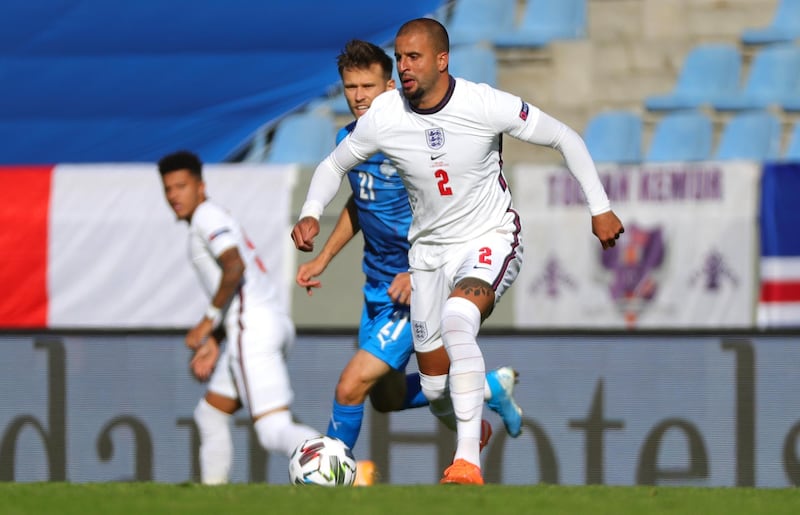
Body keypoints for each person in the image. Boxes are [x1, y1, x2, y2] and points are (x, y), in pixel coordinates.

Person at [292, 18, 624, 485]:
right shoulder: (385, 117)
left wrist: (600, 207)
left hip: (489, 237)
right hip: (427, 255)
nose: (404, 67)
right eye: (400, 57)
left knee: (457, 320)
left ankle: (466, 461)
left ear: (441, 60)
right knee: (432, 385)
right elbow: (333, 166)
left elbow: (564, 137)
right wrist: (310, 211)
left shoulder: (483, 104)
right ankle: (486, 405)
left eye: (414, 58)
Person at [295, 40, 525, 483]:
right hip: (377, 289)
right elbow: (361, 203)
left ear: (391, 87)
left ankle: (334, 475)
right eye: (350, 87)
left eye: (368, 86)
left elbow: (450, 209)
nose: (359, 96)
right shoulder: (351, 138)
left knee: (350, 385)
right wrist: (324, 257)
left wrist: (416, 272)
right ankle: (489, 389)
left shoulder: (416, 142)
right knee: (386, 396)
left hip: (419, 281)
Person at [159, 150, 319, 485]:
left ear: (200, 186)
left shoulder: (205, 216)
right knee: (210, 414)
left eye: (181, 186)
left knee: (272, 429)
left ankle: (342, 467)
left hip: (253, 327)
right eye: (168, 188)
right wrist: (218, 339)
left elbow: (234, 268)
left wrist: (207, 322)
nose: (174, 195)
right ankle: (214, 495)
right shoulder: (212, 215)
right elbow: (240, 282)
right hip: (262, 321)